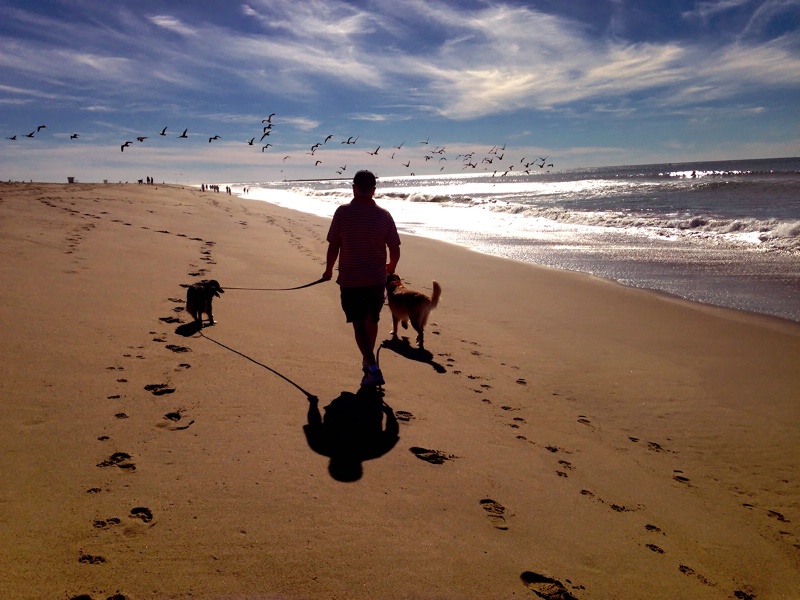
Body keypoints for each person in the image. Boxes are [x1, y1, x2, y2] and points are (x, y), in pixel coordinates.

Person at [323, 170, 401, 387]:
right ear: (374, 190)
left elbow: (334, 245)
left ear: (354, 188)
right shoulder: (384, 215)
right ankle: (368, 362)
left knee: (358, 323)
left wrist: (328, 270)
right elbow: (394, 247)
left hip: (351, 279)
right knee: (372, 319)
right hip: (376, 280)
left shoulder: (342, 213)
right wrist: (391, 267)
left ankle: (373, 368)